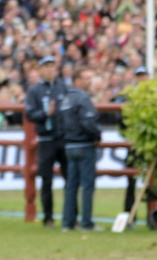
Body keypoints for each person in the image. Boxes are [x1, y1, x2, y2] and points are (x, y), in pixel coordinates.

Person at [24, 56, 70, 226]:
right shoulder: (35, 91)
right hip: (46, 139)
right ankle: (48, 217)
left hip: (62, 138)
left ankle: (70, 216)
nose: (50, 70)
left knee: (70, 178)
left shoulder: (63, 88)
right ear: (41, 70)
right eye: (47, 67)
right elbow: (30, 114)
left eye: (52, 66)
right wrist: (46, 114)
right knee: (46, 179)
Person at [59, 68, 101, 231]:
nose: (89, 81)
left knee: (71, 186)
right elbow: (88, 123)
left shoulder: (66, 99)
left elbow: (60, 123)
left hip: (70, 145)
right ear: (77, 80)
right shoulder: (83, 98)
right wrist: (97, 137)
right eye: (86, 78)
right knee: (87, 185)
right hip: (84, 145)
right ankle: (86, 222)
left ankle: (67, 222)